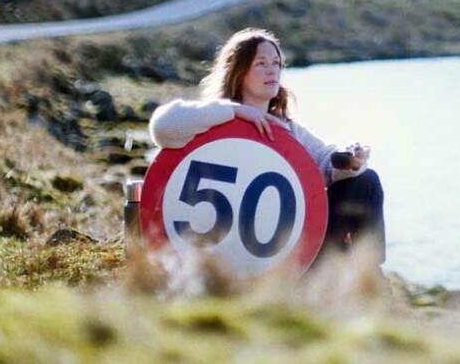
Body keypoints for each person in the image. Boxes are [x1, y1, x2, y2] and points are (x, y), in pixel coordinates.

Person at [148, 27, 385, 264]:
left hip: (291, 254)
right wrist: (236, 112)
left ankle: (371, 280)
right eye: (261, 63)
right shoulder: (212, 121)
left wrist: (352, 159)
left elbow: (325, 163)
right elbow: (162, 126)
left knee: (366, 181)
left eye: (276, 63)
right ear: (239, 71)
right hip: (216, 262)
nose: (272, 69)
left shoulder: (286, 130)